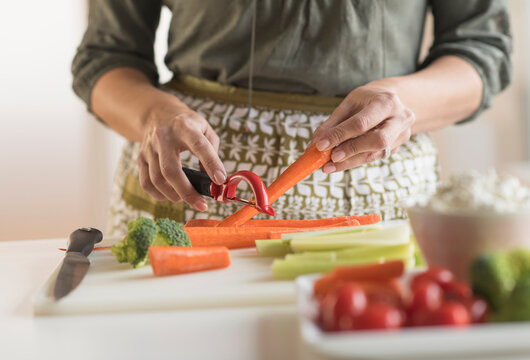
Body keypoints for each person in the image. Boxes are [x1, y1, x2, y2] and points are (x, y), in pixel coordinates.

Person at [72, 0, 512, 236]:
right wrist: (153, 114)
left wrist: (400, 100)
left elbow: (483, 53)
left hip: (376, 196)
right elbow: (105, 59)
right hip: (187, 181)